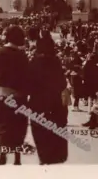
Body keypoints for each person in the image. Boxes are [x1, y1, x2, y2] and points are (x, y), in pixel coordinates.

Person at [0, 25, 30, 165]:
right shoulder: (23, 55)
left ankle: (2, 155)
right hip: (19, 96)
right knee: (18, 125)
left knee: (2, 124)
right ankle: (17, 157)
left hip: (1, 94)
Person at [27, 36, 68, 165]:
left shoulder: (34, 62)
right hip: (56, 106)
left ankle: (43, 162)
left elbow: (28, 85)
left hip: (38, 105)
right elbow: (62, 84)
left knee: (41, 138)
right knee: (55, 139)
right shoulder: (56, 62)